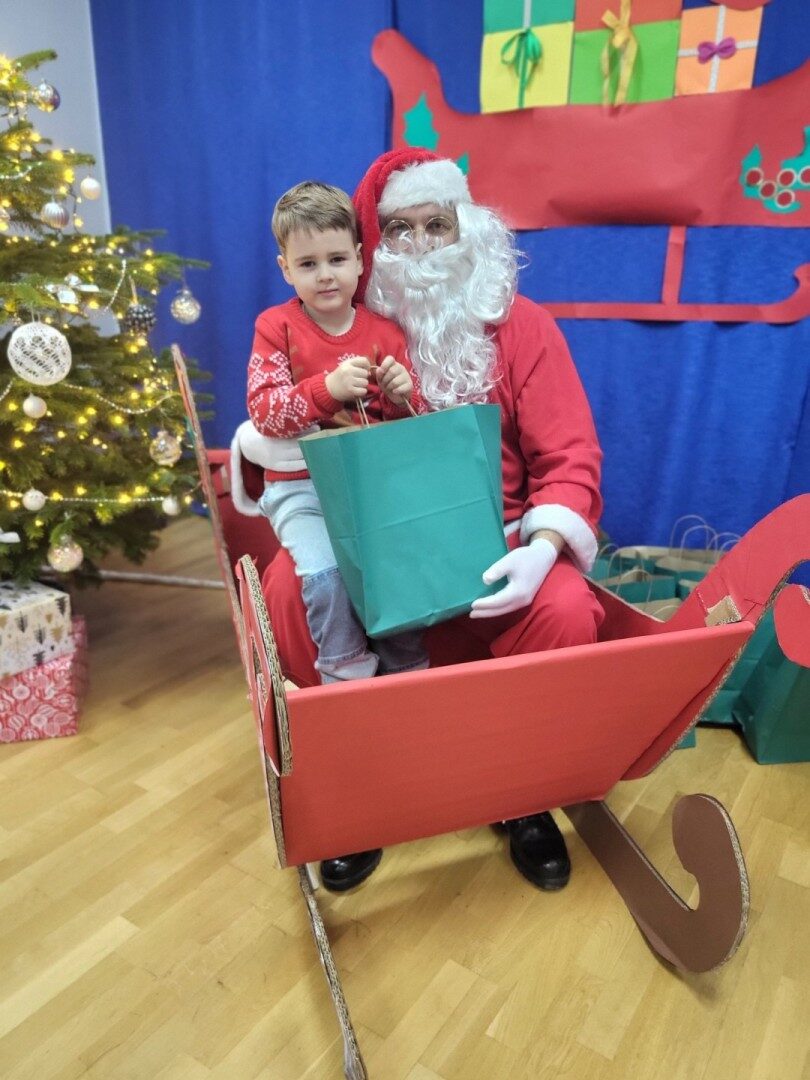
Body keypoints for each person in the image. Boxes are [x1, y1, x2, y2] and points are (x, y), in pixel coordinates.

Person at [260, 150, 605, 893]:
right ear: (371, 248)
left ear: (466, 230)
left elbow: (570, 453)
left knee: (567, 607)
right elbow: (275, 417)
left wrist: (544, 545)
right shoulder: (332, 330)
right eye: (399, 230)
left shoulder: (524, 328)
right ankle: (360, 788)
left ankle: (524, 792)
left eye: (436, 225)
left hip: (495, 540)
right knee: (288, 587)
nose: (419, 246)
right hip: (373, 542)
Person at [236, 180, 429, 688]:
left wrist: (401, 394)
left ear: (360, 260)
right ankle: (345, 677)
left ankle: (409, 675)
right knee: (325, 575)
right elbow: (265, 412)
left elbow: (405, 429)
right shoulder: (276, 327)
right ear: (285, 269)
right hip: (300, 488)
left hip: (371, 486)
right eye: (308, 264)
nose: (325, 275)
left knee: (393, 571)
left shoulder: (385, 331)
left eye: (337, 259)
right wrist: (328, 389)